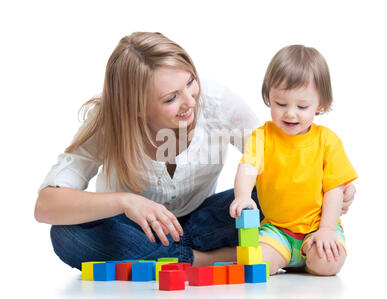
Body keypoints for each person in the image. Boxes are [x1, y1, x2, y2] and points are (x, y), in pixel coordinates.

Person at [34, 32, 356, 270]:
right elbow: (46, 206)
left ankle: (166, 259)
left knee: (258, 199)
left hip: (204, 223)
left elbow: (276, 158)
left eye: (190, 82)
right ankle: (212, 259)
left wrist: (331, 186)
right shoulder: (109, 122)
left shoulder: (217, 104)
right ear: (135, 108)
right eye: (170, 98)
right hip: (137, 231)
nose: (190, 101)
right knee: (65, 234)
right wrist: (125, 202)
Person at [230, 45, 357, 276]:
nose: (290, 113)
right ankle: (284, 257)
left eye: (302, 106)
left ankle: (309, 258)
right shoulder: (262, 136)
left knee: (327, 264)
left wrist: (327, 230)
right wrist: (243, 196)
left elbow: (334, 189)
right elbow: (248, 167)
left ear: (319, 105)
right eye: (281, 104)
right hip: (277, 231)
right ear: (269, 97)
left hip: (317, 228)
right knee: (252, 265)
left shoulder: (327, 141)